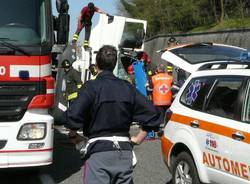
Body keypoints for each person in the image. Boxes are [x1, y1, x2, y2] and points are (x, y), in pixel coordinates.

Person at [63, 45, 162, 184]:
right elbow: (153, 114)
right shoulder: (127, 87)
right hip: (124, 152)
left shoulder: (91, 87)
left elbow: (73, 115)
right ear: (115, 64)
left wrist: (73, 134)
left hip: (98, 154)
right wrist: (139, 138)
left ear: (96, 65)